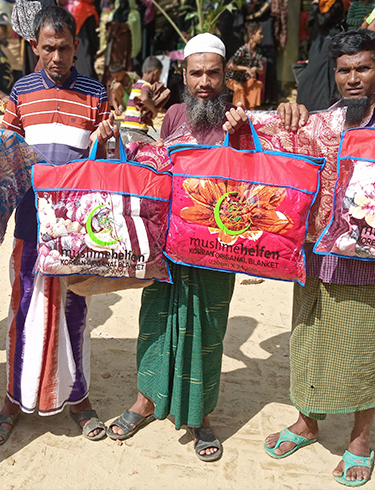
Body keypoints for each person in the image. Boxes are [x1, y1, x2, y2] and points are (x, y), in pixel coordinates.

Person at [261, 29, 375, 486]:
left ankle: (360, 439)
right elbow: (269, 154)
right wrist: (281, 117)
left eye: (364, 68)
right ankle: (307, 422)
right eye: (344, 70)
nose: (353, 78)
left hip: (365, 261)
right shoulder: (318, 123)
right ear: (333, 74)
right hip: (314, 254)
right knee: (307, 339)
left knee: (359, 348)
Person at [106, 33, 268, 462]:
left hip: (219, 248)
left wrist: (241, 141)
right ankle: (146, 400)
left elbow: (254, 182)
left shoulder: (242, 119)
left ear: (225, 77)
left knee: (209, 330)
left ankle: (200, 417)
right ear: (183, 75)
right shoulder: (174, 114)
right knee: (156, 318)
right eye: (196, 73)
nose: (204, 82)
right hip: (171, 244)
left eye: (213, 73)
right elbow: (157, 169)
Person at [0, 6, 116, 446]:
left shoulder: (96, 95)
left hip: (79, 232)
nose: (56, 57)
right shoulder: (20, 93)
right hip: (31, 225)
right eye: (47, 48)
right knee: (22, 309)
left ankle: (78, 400)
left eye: (63, 47)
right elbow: (8, 154)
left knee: (76, 313)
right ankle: (12, 400)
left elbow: (110, 160)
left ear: (76, 46)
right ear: (34, 47)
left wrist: (113, 137)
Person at [295, 0, 348, 112]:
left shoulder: (336, 1)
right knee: (311, 77)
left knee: (318, 78)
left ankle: (322, 108)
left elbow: (322, 21)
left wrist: (314, 7)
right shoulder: (322, 2)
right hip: (318, 45)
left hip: (329, 44)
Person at [245, 0, 288, 105]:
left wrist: (248, 18)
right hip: (256, 34)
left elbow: (261, 12)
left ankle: (270, 98)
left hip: (267, 34)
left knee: (268, 65)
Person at [119, 55, 168, 143]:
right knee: (156, 147)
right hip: (136, 130)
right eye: (159, 75)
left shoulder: (137, 84)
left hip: (125, 128)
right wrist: (154, 111)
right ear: (155, 72)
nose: (158, 79)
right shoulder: (146, 85)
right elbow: (144, 98)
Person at [225, 22, 265, 109]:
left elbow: (262, 70)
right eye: (260, 34)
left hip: (243, 80)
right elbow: (230, 65)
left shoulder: (257, 52)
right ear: (252, 35)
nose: (262, 36)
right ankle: (238, 110)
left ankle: (250, 110)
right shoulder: (242, 50)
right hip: (231, 79)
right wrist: (246, 68)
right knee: (239, 88)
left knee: (257, 84)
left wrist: (255, 69)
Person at [71, 0, 100, 79]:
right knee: (87, 69)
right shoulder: (90, 11)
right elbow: (92, 33)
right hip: (86, 44)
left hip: (77, 42)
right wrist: (95, 47)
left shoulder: (77, 9)